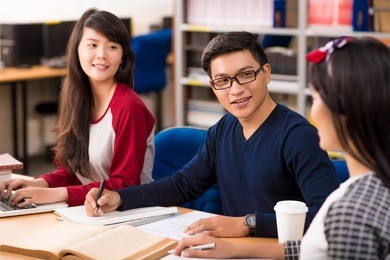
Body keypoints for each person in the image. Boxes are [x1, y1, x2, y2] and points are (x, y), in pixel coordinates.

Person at [84, 31, 340, 238]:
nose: (236, 89)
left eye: (246, 75)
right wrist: (119, 198)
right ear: (213, 87)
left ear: (266, 73)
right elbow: (184, 184)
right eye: (223, 80)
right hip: (231, 252)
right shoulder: (223, 130)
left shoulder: (299, 136)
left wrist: (248, 224)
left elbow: (328, 217)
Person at [171, 36, 390, 259]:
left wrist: (249, 225)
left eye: (314, 98)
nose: (312, 113)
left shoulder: (352, 213)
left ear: (347, 109)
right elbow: (314, 250)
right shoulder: (367, 189)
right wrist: (237, 249)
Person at [0, 9, 155, 207]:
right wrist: (40, 183)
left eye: (112, 47)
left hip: (128, 211)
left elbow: (123, 186)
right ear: (77, 50)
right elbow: (75, 172)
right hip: (91, 209)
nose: (101, 55)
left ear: (123, 56)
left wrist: (54, 194)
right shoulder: (77, 99)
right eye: (93, 45)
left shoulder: (130, 108)